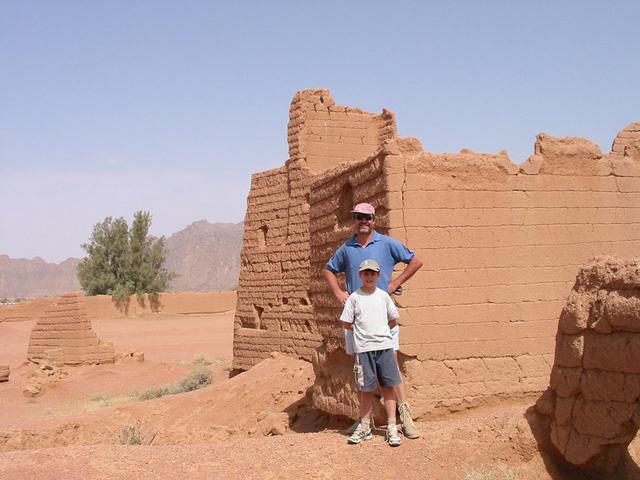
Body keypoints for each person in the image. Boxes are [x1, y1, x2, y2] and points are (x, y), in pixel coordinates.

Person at [324, 202, 423, 439]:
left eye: (367, 217)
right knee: (362, 371)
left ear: (374, 220)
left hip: (383, 316)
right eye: (359, 217)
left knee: (392, 369)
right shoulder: (347, 247)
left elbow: (416, 260)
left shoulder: (387, 243)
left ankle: (403, 415)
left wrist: (395, 284)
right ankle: (365, 421)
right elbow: (328, 269)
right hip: (358, 320)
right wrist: (339, 293)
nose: (363, 221)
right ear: (354, 219)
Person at [341, 259, 403, 446]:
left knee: (388, 386)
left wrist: (383, 335)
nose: (369, 277)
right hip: (364, 350)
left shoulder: (383, 296)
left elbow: (393, 320)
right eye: (365, 273)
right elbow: (346, 323)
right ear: (360, 275)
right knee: (365, 389)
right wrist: (358, 340)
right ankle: (365, 426)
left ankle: (392, 426)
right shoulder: (354, 298)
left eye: (372, 273)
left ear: (378, 275)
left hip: (384, 347)